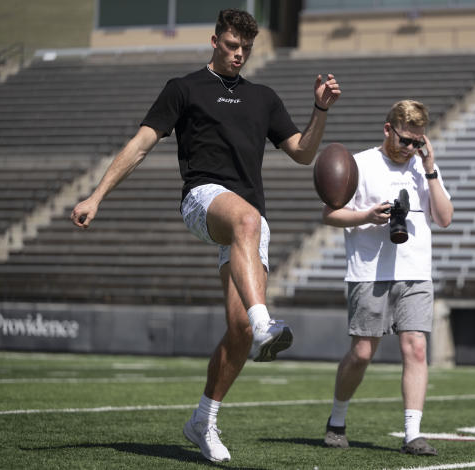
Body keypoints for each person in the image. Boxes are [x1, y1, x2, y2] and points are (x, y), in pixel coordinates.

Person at [70, 9, 341, 463]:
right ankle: (264, 326)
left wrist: (320, 110)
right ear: (215, 41)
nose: (240, 55)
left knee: (235, 328)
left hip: (246, 223)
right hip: (203, 199)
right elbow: (139, 145)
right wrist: (96, 196)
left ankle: (203, 418)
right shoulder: (183, 88)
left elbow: (302, 153)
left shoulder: (264, 96)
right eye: (233, 46)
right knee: (248, 224)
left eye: (247, 49)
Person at [321, 100, 453, 456]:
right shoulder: (360, 165)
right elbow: (329, 215)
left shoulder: (423, 168)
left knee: (417, 347)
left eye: (418, 142)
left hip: (415, 273)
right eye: (406, 140)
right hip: (369, 273)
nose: (411, 148)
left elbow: (444, 218)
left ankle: (413, 433)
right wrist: (367, 215)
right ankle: (337, 418)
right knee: (362, 353)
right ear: (387, 129)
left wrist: (430, 168)